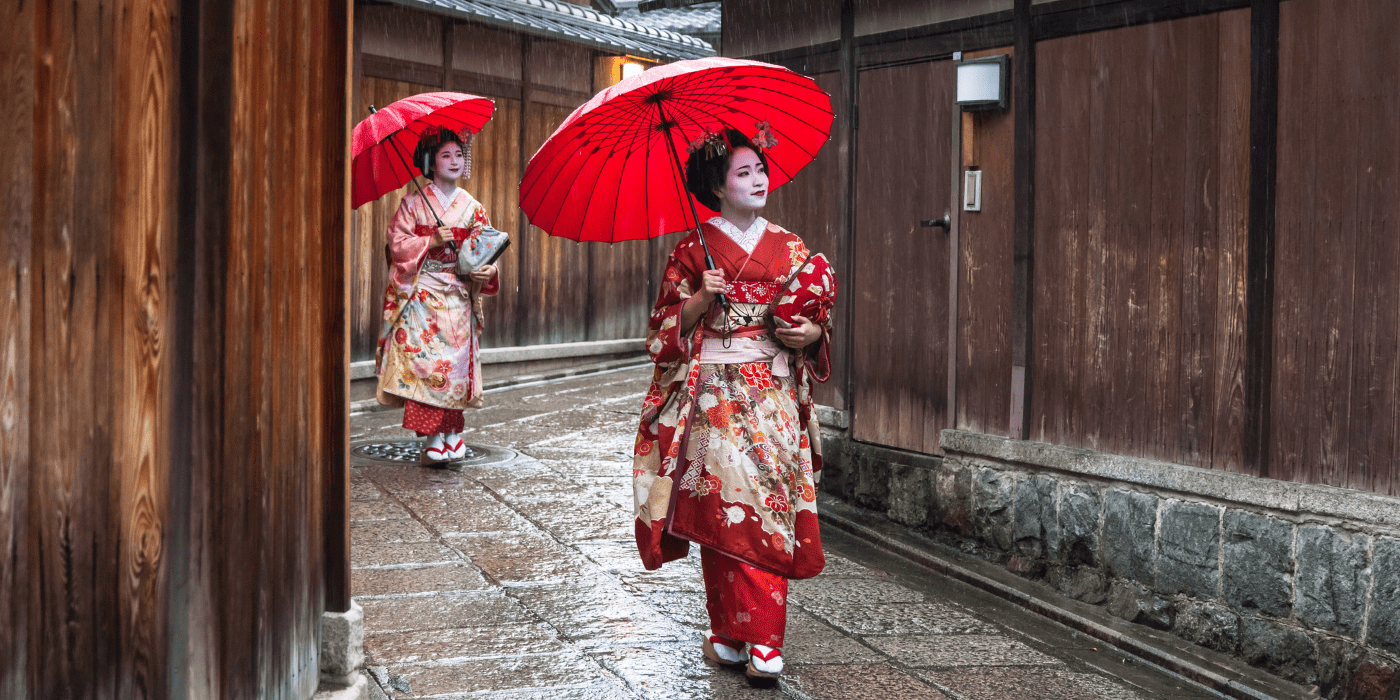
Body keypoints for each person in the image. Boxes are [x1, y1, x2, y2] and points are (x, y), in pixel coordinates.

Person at [632, 127, 837, 683]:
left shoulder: (790, 247)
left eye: (760, 169)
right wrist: (700, 300)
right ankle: (733, 633)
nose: (758, 179)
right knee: (723, 505)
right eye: (743, 173)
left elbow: (816, 320)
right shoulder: (691, 250)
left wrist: (811, 333)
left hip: (773, 392)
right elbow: (660, 333)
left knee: (766, 502)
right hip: (715, 395)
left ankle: (759, 637)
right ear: (717, 188)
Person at [375, 127, 500, 464]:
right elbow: (397, 244)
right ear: (430, 162)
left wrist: (488, 271)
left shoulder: (473, 208)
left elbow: (486, 250)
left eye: (459, 155)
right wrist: (430, 241)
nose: (455, 161)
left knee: (455, 369)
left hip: (458, 295)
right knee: (426, 366)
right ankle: (433, 438)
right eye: (446, 155)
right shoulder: (412, 203)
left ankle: (454, 434)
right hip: (422, 295)